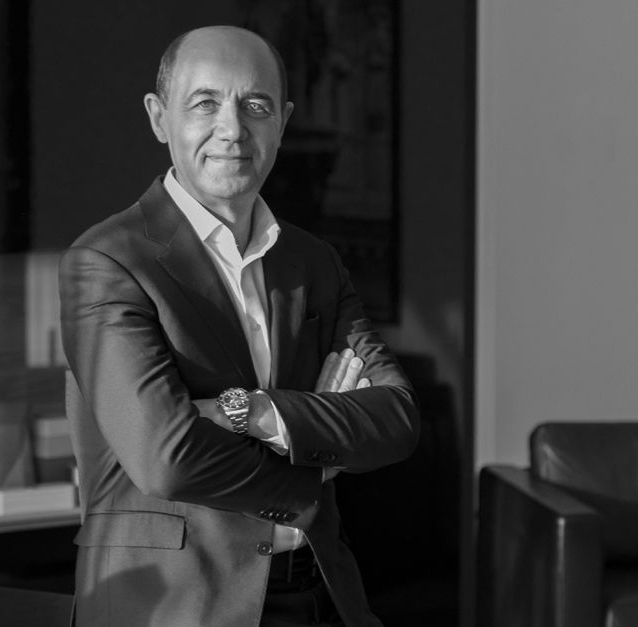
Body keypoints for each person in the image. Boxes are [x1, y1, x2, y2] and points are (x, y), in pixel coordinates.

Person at [59, 25, 419, 627]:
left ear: (283, 122)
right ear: (159, 117)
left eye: (256, 105)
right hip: (172, 609)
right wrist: (313, 455)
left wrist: (252, 411)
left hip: (318, 597)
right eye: (205, 103)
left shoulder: (314, 263)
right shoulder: (107, 261)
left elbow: (398, 417)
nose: (232, 129)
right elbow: (166, 458)